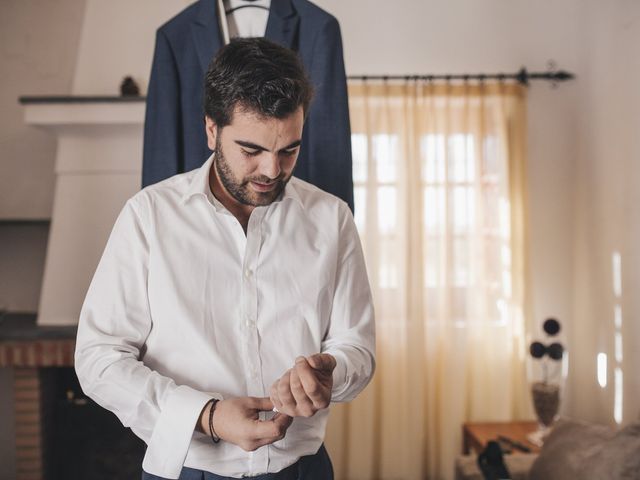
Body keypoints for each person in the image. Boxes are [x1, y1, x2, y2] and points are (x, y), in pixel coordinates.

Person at [74, 37, 375, 480]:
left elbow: (357, 347)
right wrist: (207, 416)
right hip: (186, 469)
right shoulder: (149, 216)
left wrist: (333, 372)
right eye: (251, 150)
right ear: (212, 130)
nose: (273, 170)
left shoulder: (332, 219)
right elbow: (99, 357)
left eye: (289, 149)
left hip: (304, 469)